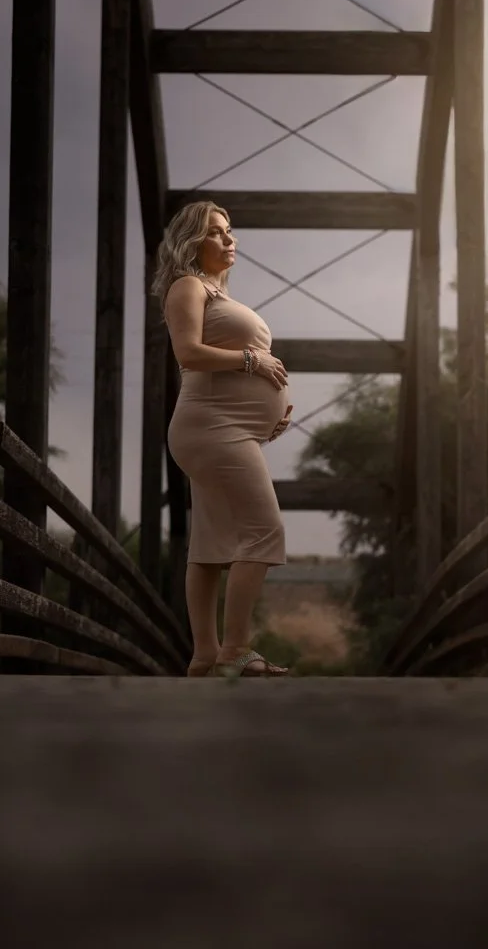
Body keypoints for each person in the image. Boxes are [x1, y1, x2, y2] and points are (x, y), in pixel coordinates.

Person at [153, 200, 293, 678]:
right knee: (264, 530)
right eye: (216, 232)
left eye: (230, 231)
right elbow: (189, 353)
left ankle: (205, 656)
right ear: (192, 240)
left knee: (211, 545)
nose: (230, 240)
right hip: (210, 426)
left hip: (225, 427)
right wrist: (253, 363)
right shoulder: (188, 286)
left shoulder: (216, 293)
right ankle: (235, 648)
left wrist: (268, 417)